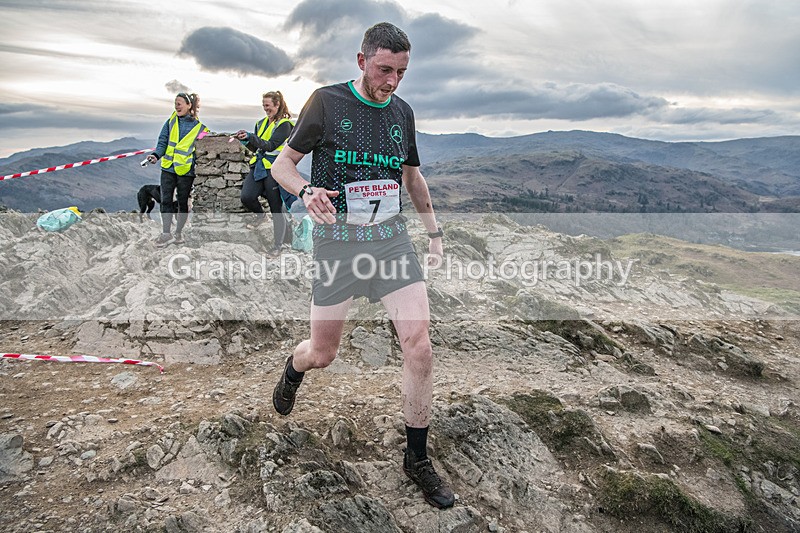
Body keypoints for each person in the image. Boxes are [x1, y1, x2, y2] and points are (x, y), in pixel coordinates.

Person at [270, 22, 453, 509]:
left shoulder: (402, 113)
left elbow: (412, 178)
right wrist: (305, 190)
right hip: (338, 243)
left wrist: (433, 233)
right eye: (384, 69)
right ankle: (294, 366)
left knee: (419, 346)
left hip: (390, 240)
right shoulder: (326, 103)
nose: (392, 81)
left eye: (401, 72)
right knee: (323, 353)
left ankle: (416, 459)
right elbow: (281, 165)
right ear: (361, 61)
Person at [235, 91, 296, 255]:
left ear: (277, 105)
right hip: (259, 167)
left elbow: (270, 145)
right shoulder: (260, 123)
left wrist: (251, 136)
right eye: (264, 106)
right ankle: (261, 216)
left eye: (268, 106)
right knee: (247, 196)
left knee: (277, 208)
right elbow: (257, 147)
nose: (265, 109)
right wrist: (246, 140)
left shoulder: (285, 125)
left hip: (274, 170)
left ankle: (278, 245)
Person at [146, 92, 208, 247]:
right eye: (175, 103)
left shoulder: (201, 128)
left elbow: (202, 150)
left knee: (182, 202)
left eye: (180, 103)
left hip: (186, 171)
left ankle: (179, 233)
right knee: (165, 200)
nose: (177, 106)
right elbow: (163, 142)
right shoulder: (170, 122)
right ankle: (166, 233)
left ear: (189, 105)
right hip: (167, 167)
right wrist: (155, 155)